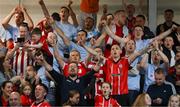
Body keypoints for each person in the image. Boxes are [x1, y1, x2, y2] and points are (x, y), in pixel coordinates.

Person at [35, 52, 100, 105]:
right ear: (67, 70)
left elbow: (94, 70)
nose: (72, 68)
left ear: (78, 70)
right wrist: (43, 61)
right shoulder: (62, 79)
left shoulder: (83, 79)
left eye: (74, 67)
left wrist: (97, 66)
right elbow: (51, 70)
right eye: (70, 67)